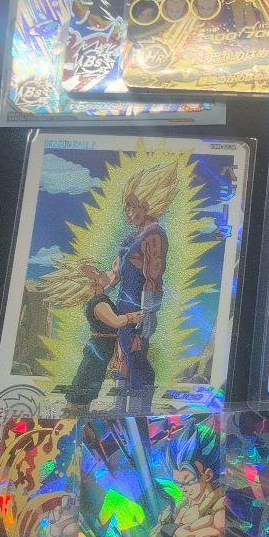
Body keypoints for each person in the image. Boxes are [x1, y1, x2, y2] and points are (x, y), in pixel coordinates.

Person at [112, 159, 178, 415]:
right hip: (122, 305)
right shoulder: (132, 236)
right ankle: (121, 410)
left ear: (147, 204)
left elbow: (154, 275)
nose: (128, 213)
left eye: (133, 207)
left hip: (137, 308)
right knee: (123, 356)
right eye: (126, 208)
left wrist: (149, 312)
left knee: (136, 356)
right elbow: (116, 271)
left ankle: (139, 412)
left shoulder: (154, 235)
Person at [38, 259, 143, 412]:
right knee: (89, 375)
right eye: (95, 273)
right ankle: (75, 408)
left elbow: (112, 281)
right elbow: (115, 321)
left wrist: (116, 271)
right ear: (92, 283)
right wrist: (131, 318)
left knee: (93, 376)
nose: (101, 272)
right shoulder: (99, 303)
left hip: (101, 346)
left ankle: (80, 407)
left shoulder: (99, 296)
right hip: (99, 348)